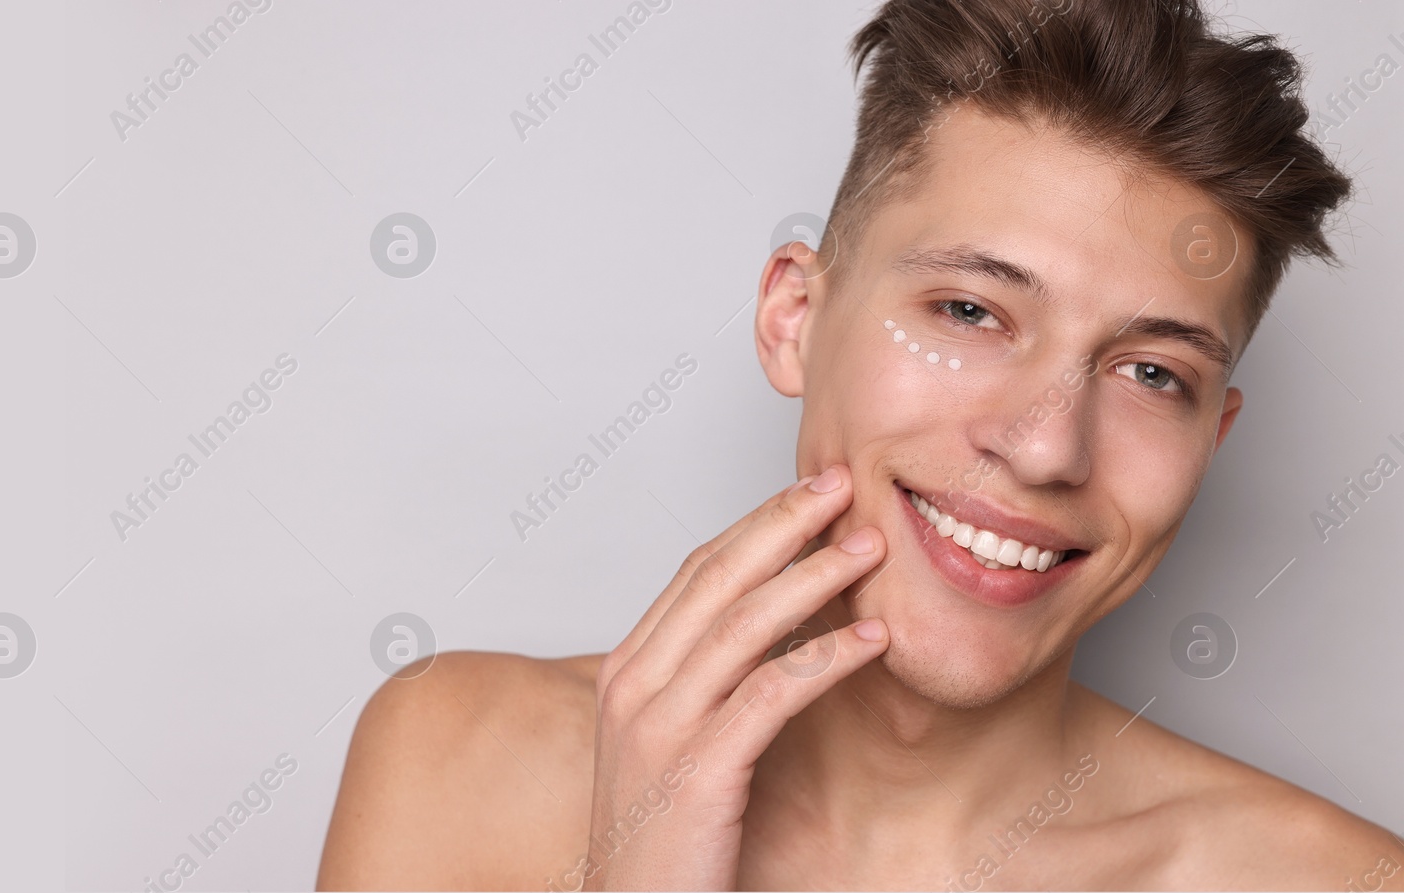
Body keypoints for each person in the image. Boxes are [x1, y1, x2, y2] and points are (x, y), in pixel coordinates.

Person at [318, 0, 1403, 888]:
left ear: (1212, 437)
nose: (1043, 447)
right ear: (793, 317)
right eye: (969, 312)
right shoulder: (456, 758)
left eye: (1151, 373)